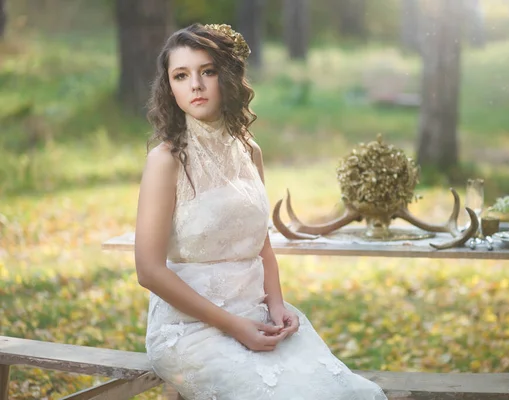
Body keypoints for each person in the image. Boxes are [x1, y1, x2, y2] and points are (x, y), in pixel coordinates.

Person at [134, 22, 388, 400]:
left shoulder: (249, 150)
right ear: (169, 87)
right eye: (181, 75)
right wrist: (234, 327)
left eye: (207, 71)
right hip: (190, 331)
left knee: (352, 393)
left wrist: (277, 302)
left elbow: (260, 240)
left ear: (228, 76)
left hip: (256, 315)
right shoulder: (166, 160)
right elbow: (149, 271)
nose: (196, 86)